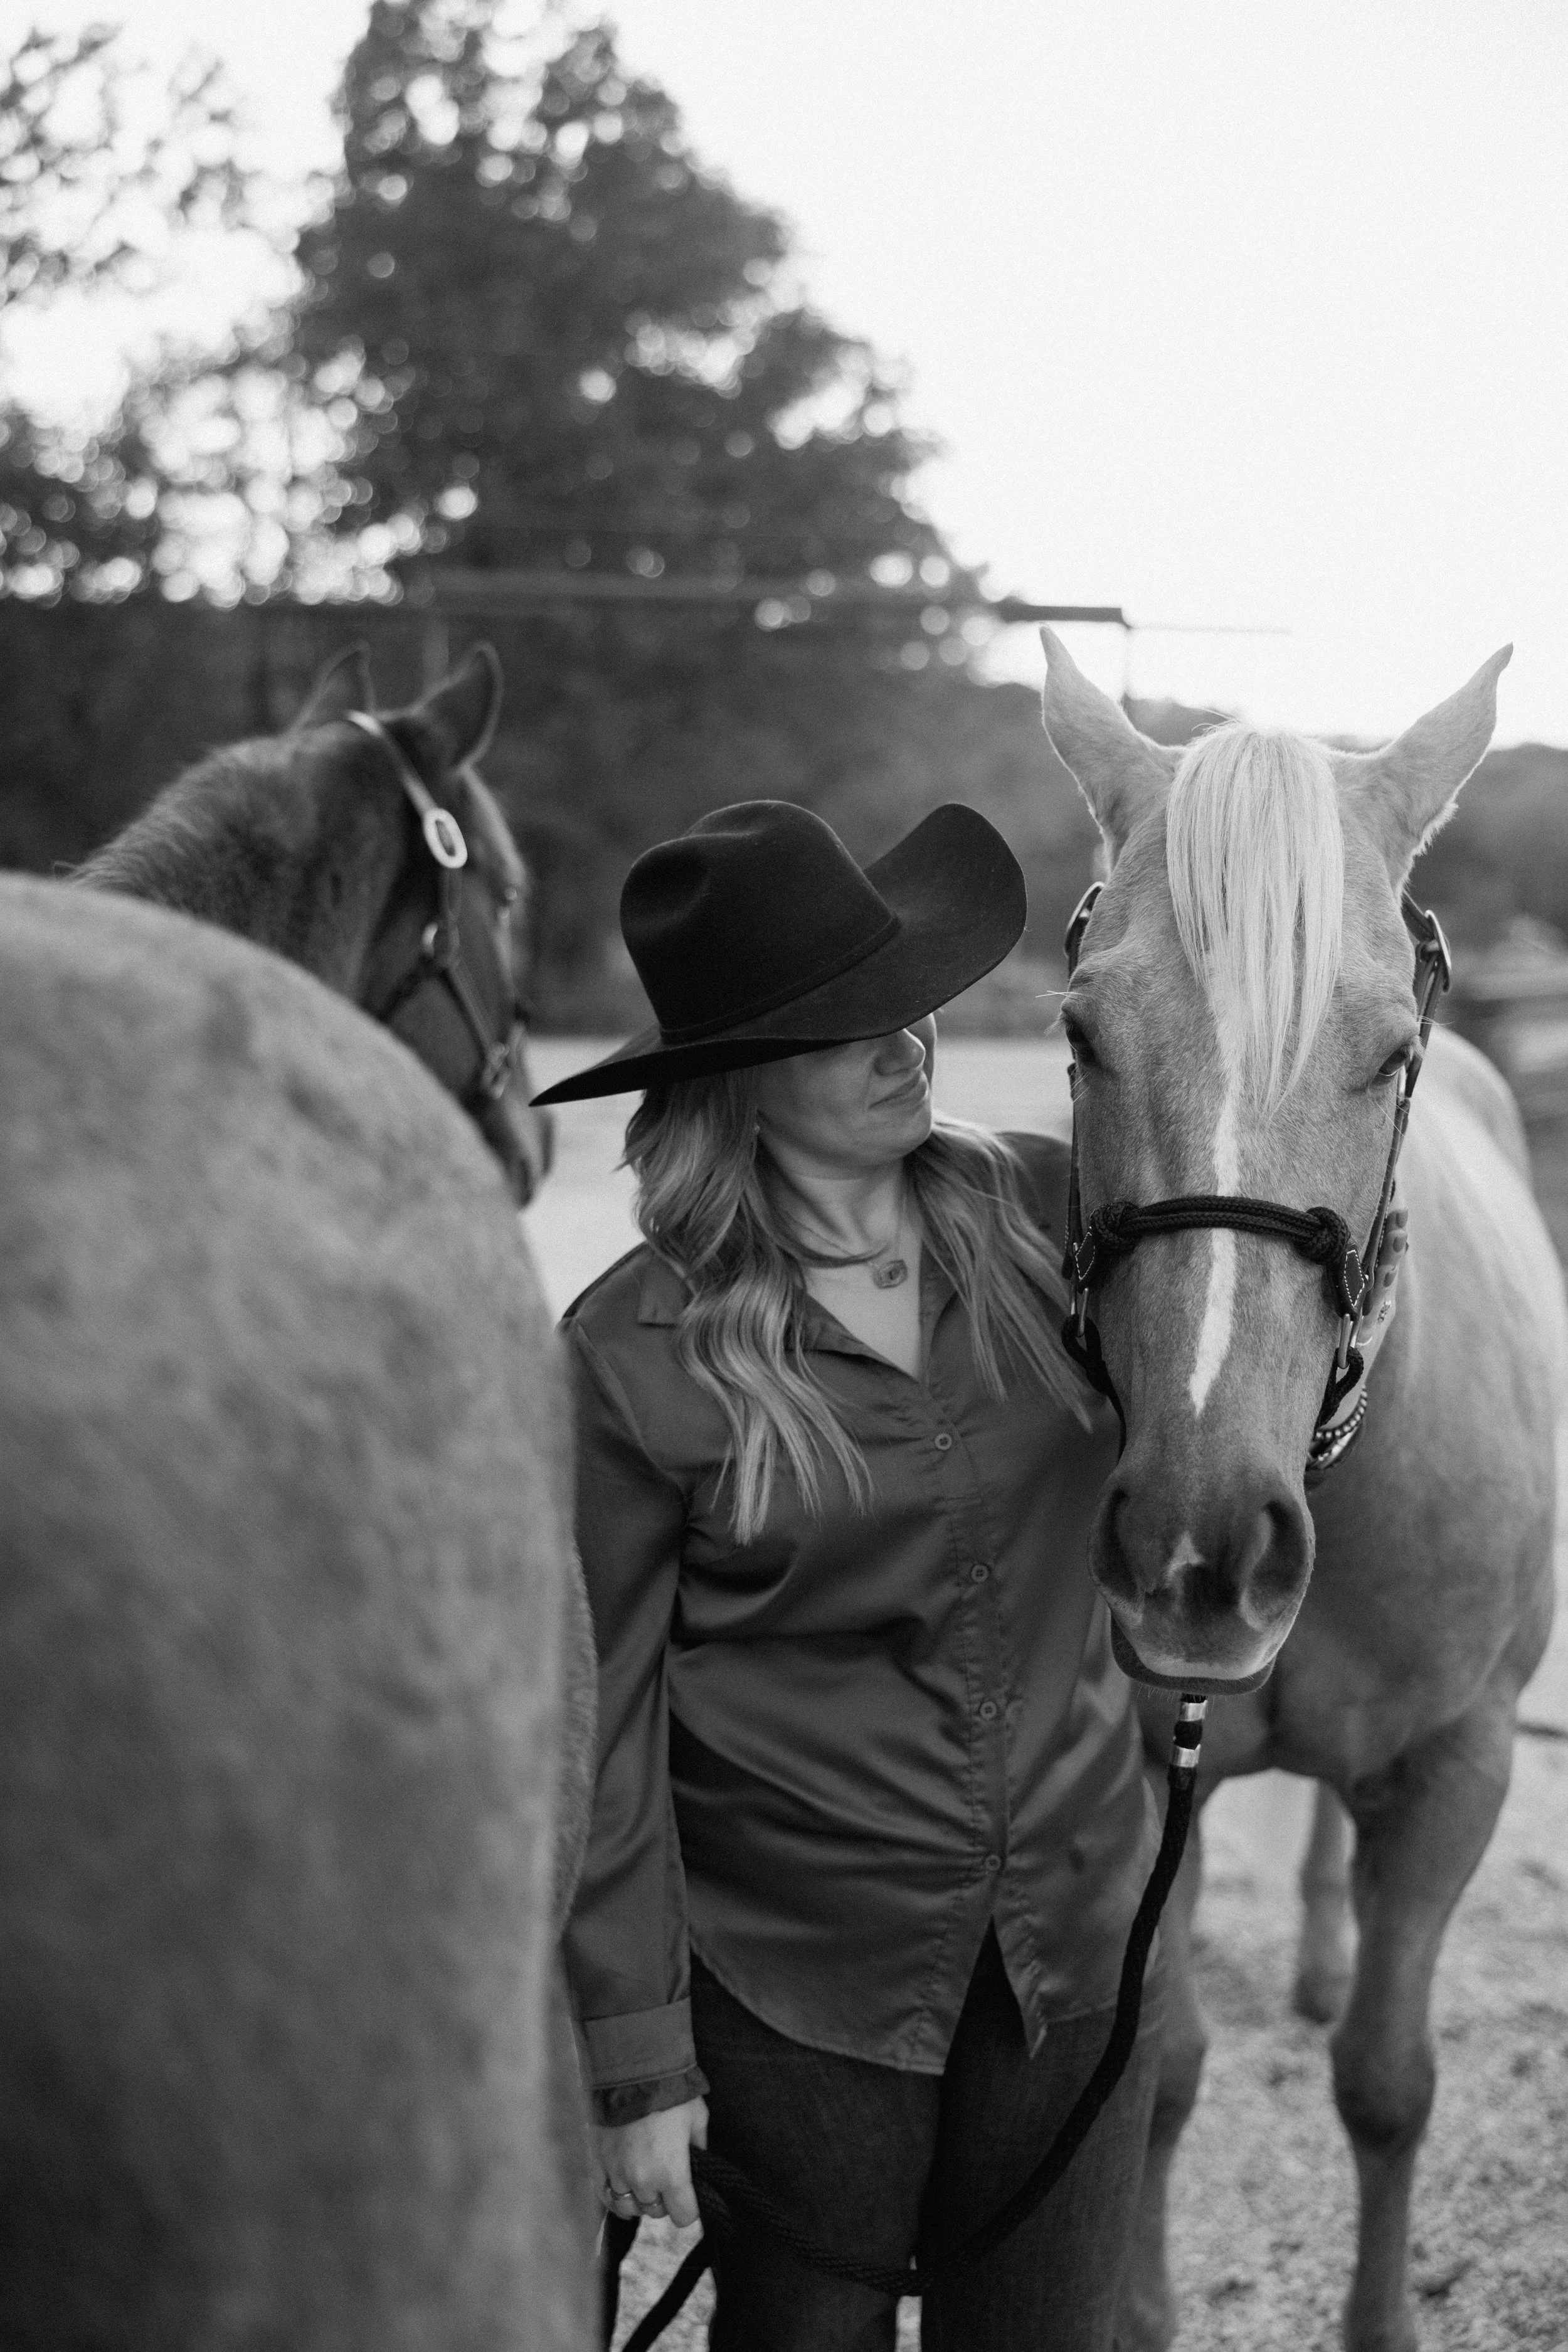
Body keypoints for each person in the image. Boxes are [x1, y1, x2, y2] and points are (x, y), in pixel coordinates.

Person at [532, 798, 1165, 2352]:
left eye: (910, 1001)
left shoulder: (1044, 1216)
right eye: (848, 1024)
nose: (911, 1043)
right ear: (736, 1078)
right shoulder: (628, 1357)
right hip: (795, 1985)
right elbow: (596, 1725)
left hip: (1078, 1945)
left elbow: (1249, 1350)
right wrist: (635, 2062)